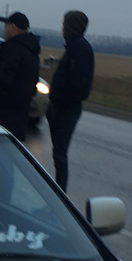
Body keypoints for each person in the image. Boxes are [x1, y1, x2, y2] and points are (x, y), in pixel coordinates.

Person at [45, 10, 94, 191]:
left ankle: (60, 197)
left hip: (66, 109)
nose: (62, 28)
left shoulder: (79, 48)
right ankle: (59, 194)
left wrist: (59, 103)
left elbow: (78, 85)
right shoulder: (75, 47)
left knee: (60, 155)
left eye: (65, 24)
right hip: (61, 107)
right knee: (58, 154)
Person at [0, 11, 40, 141]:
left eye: (6, 26)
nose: (4, 31)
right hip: (20, 118)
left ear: (13, 28)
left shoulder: (12, 50)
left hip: (1, 117)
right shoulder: (32, 53)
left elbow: (0, 82)